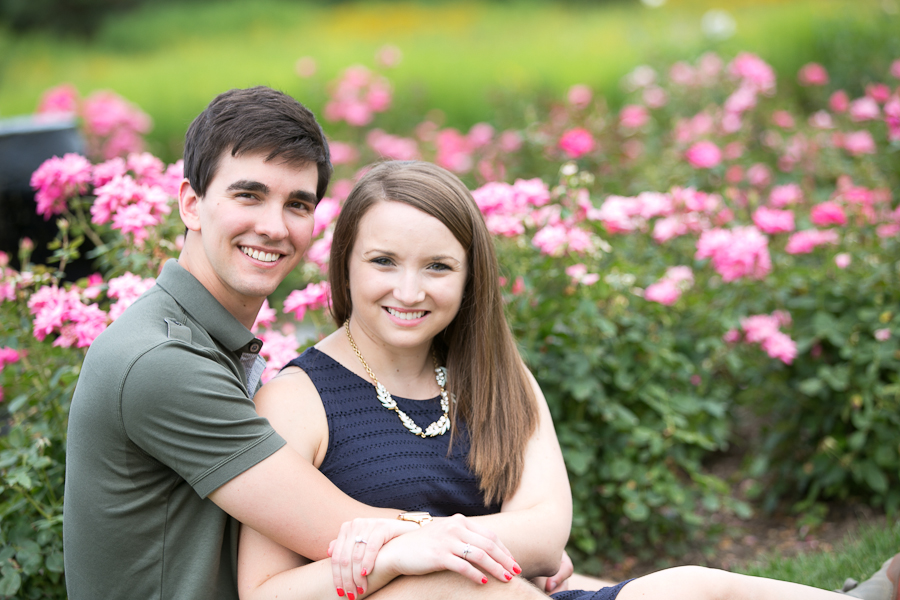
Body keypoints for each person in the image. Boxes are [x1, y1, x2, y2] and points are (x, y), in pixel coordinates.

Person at [239, 159, 890, 600]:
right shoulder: (297, 400)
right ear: (344, 265)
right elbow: (263, 592)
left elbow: (546, 530)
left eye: (438, 267)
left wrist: (413, 534)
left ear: (470, 281)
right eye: (383, 261)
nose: (409, 291)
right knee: (436, 585)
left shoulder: (494, 376)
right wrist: (398, 558)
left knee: (692, 586)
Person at [63, 88, 543, 600]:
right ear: (191, 204)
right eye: (248, 195)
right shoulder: (159, 360)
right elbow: (339, 528)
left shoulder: (203, 335)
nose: (273, 227)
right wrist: (511, 549)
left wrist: (516, 552)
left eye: (297, 204)